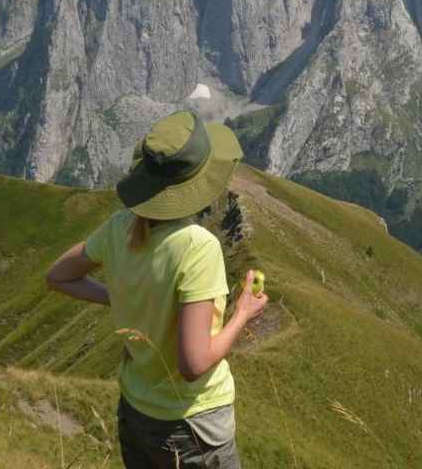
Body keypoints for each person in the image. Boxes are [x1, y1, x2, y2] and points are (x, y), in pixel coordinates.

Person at [45, 110, 268, 468]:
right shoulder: (198, 247)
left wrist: (121, 296)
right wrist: (243, 313)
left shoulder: (119, 227)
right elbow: (193, 364)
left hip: (135, 413)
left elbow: (58, 276)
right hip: (192, 425)